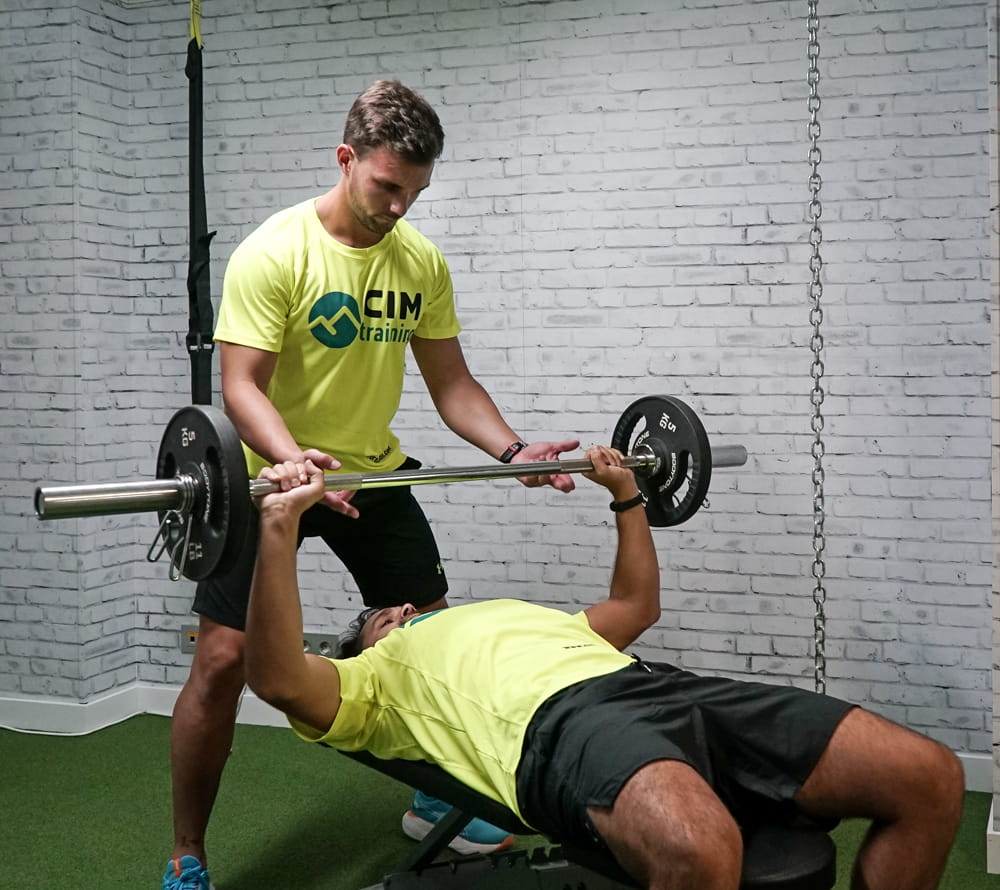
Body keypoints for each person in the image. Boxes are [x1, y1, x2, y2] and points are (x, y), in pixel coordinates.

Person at [162, 80, 580, 890]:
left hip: (373, 475)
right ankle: (188, 850)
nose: (399, 208)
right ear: (346, 158)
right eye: (388, 187)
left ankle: (433, 801)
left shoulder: (418, 260)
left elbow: (453, 385)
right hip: (269, 483)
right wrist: (290, 460)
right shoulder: (275, 251)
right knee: (222, 661)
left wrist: (515, 450)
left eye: (414, 193)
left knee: (431, 641)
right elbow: (241, 385)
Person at [242, 447, 965, 890]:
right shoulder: (377, 680)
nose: (397, 609)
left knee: (928, 776)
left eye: (394, 607)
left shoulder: (522, 616)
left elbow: (634, 604)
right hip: (560, 727)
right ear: (372, 639)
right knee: (701, 849)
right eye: (380, 616)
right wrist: (280, 527)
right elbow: (277, 677)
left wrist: (626, 494)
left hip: (663, 687)